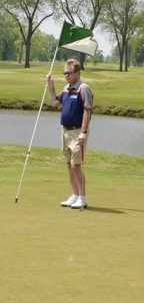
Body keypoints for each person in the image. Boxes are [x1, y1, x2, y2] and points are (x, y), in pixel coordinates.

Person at [47, 58, 93, 209]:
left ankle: (82, 197)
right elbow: (54, 102)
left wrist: (83, 132)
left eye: (69, 73)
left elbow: (87, 111)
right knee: (69, 165)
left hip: (77, 131)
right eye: (65, 73)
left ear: (77, 72)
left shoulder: (83, 88)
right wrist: (51, 86)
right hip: (65, 131)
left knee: (76, 166)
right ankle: (74, 195)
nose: (66, 75)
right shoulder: (66, 88)